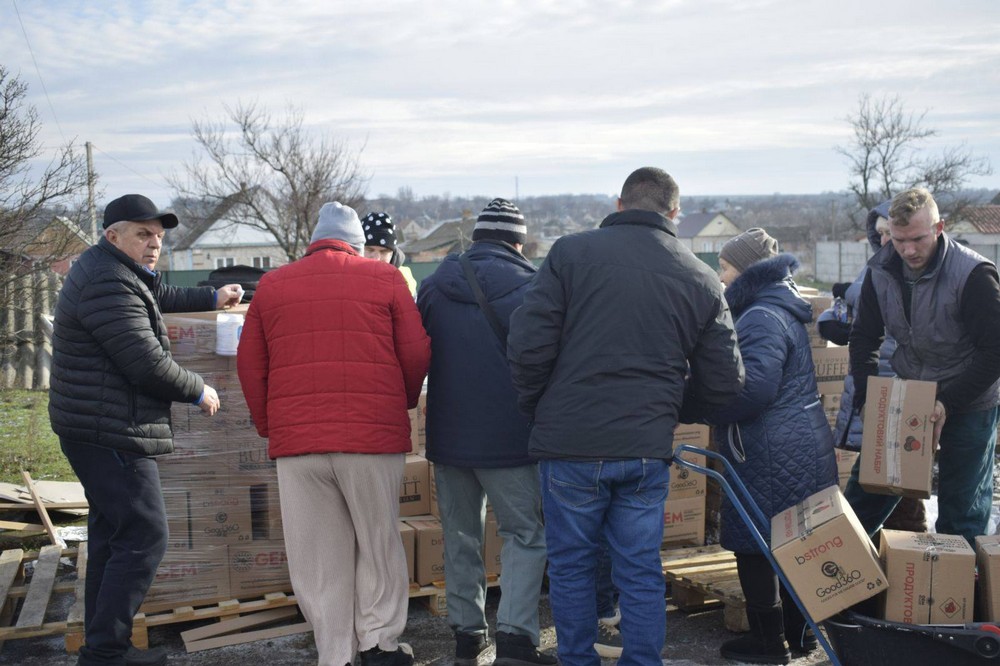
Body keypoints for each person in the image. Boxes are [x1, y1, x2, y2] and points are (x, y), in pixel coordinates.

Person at [507, 167, 744, 666]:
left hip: (569, 442)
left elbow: (528, 345)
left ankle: (577, 660)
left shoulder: (571, 254)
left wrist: (539, 407)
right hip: (643, 447)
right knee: (639, 569)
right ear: (674, 213)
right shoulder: (700, 276)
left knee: (570, 568)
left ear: (619, 205)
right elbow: (724, 380)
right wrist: (669, 410)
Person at [49, 193, 243, 666]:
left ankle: (101, 648)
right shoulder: (106, 283)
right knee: (145, 535)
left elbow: (157, 297)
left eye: (158, 235)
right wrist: (198, 389)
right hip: (112, 429)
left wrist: (212, 297)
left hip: (97, 424)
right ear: (113, 235)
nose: (154, 243)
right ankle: (107, 652)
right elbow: (144, 361)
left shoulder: (113, 271)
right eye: (143, 233)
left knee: (115, 535)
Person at [236, 201, 429, 666]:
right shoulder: (383, 279)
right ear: (358, 245)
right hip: (370, 440)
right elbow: (418, 351)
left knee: (318, 555)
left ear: (313, 241)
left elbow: (250, 365)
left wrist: (271, 425)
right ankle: (379, 644)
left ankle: (335, 654)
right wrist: (397, 402)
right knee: (376, 541)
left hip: (298, 446)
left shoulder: (272, 285)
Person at [417, 198, 554, 666]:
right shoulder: (531, 289)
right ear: (518, 241)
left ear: (476, 238)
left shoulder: (434, 287)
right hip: (511, 439)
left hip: (449, 437)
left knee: (460, 536)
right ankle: (515, 639)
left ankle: (467, 637)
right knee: (524, 535)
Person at [845, 187, 1000, 547]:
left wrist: (948, 402)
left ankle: (962, 591)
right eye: (899, 241)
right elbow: (864, 337)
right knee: (868, 490)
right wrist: (868, 398)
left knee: (962, 509)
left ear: (939, 227)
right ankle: (836, 581)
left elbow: (995, 351)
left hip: (970, 400)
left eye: (917, 239)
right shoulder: (880, 270)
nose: (908, 250)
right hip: (911, 394)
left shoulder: (973, 274)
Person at [711, 228, 837, 664]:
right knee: (795, 540)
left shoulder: (759, 317)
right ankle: (797, 635)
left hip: (766, 446)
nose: (721, 278)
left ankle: (768, 643)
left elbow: (754, 391)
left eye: (725, 269)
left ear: (745, 270)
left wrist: (706, 404)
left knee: (754, 543)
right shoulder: (778, 307)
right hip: (796, 439)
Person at [817, 202, 926, 533]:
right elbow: (853, 311)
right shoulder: (877, 267)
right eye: (878, 234)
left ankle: (897, 557)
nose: (883, 241)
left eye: (887, 234)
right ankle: (885, 556)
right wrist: (831, 321)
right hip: (873, 380)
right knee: (884, 475)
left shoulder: (911, 272)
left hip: (897, 384)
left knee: (890, 476)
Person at [361, 211, 417, 296]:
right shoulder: (347, 276)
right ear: (359, 248)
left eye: (383, 252)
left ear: (392, 253)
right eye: (370, 250)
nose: (376, 258)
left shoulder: (404, 280)